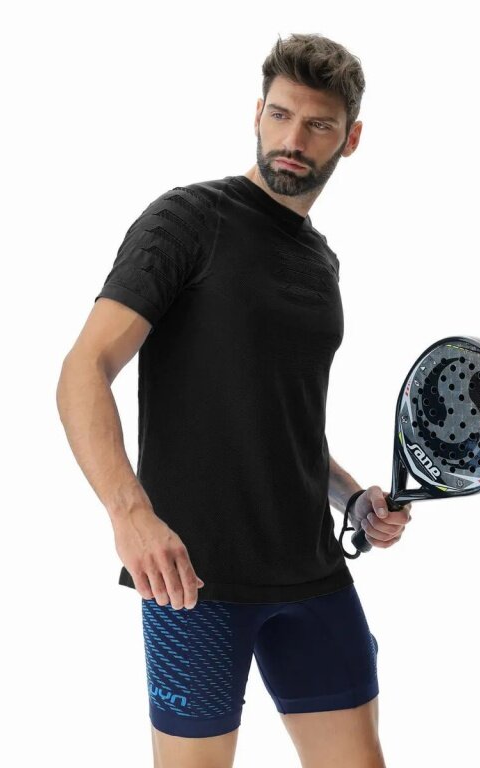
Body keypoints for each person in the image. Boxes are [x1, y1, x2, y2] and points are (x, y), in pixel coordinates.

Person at [56, 32, 412, 768]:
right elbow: (83, 369)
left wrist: (351, 499)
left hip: (313, 572)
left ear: (351, 139)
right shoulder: (189, 220)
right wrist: (130, 515)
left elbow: (280, 420)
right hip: (194, 581)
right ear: (256, 113)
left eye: (318, 124)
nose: (293, 140)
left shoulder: (321, 261)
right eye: (280, 115)